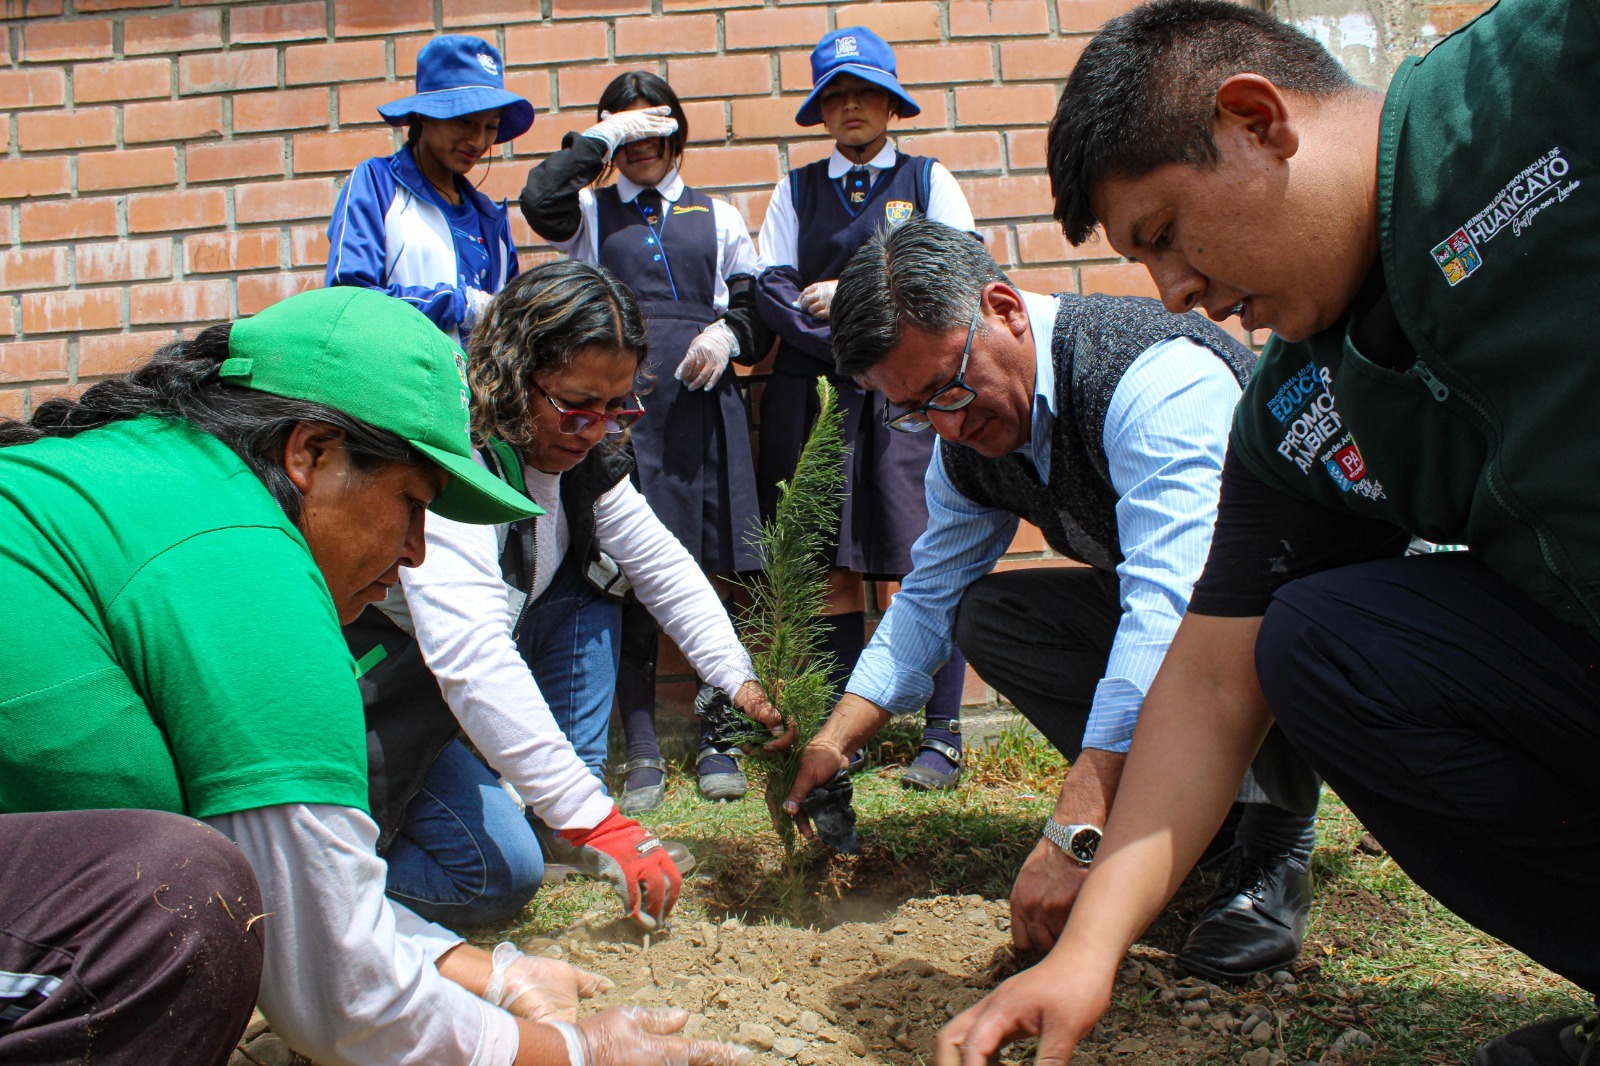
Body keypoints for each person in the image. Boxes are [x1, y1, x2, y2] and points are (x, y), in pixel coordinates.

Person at [939, 0, 1600, 1063]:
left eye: (1163, 234)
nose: (1176, 293)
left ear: (1256, 121)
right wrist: (1086, 953)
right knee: (1321, 640)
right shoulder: (1298, 413)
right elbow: (1205, 686)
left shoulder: (1535, 81)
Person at [0, 286, 750, 1066]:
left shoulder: (162, 485)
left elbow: (303, 906)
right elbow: (339, 997)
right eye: (411, 504)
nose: (417, 550)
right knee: (176, 901)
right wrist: (572, 1050)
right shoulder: (243, 564)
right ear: (311, 455)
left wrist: (492, 971)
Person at [783, 217, 1320, 979]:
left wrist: (1079, 824)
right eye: (914, 409)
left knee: (1266, 615)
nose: (948, 423)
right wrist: (836, 739)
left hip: (1292, 599)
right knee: (994, 616)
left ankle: (1271, 846)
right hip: (1178, 613)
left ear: (1002, 309)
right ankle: (1202, 817)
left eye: (949, 386)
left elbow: (1170, 607)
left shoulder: (1153, 379)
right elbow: (929, 598)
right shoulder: (966, 443)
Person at [351, 259, 785, 929]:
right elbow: (471, 656)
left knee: (591, 585)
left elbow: (662, 567)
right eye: (577, 406)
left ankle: (555, 817)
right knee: (493, 877)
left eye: (619, 407)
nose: (599, 429)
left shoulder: (586, 458)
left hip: (450, 687)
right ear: (510, 375)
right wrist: (599, 822)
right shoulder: (458, 459)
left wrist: (738, 681)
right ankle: (303, 895)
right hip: (378, 686)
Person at [518, 71, 775, 809]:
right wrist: (599, 141)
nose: (639, 147)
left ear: (677, 130)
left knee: (715, 571)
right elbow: (540, 200)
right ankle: (640, 750)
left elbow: (756, 309)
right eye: (622, 135)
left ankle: (719, 735)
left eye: (650, 129)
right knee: (623, 572)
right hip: (624, 423)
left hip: (704, 417)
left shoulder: (718, 216)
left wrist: (729, 334)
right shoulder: (589, 216)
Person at [755, 26, 978, 792]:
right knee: (830, 559)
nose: (851, 107)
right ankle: (844, 730)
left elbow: (960, 276)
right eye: (835, 96)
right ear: (821, 112)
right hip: (818, 398)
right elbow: (770, 290)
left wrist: (853, 301)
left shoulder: (928, 179)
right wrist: (837, 340)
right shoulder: (796, 189)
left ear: (890, 102)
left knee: (923, 554)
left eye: (865, 93)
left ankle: (942, 735)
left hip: (908, 402)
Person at [326, 34, 533, 343]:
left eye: (490, 126)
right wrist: (461, 305)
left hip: (480, 391)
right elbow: (349, 301)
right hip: (399, 386)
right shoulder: (377, 184)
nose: (478, 141)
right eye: (464, 121)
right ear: (424, 115)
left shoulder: (492, 219)